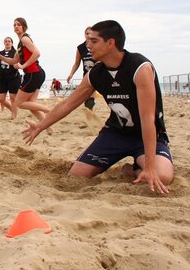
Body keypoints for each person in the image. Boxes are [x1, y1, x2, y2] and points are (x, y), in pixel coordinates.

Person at [22, 20, 174, 195]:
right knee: (76, 176)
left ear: (110, 43)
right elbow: (68, 103)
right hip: (115, 134)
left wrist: (149, 167)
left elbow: (148, 119)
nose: (88, 47)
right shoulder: (95, 73)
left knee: (162, 176)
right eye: (88, 41)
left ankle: (132, 170)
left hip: (147, 135)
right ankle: (132, 166)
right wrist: (41, 125)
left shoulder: (140, 68)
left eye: (94, 42)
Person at [0, 17, 50, 121]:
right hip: (37, 73)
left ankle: (50, 111)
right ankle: (48, 127)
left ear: (24, 26)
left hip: (33, 74)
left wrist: (23, 66)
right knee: (31, 105)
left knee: (19, 103)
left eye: (18, 24)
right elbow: (12, 61)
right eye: (14, 25)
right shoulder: (20, 43)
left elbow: (37, 53)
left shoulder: (24, 39)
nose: (16, 26)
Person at [67, 27, 96, 109]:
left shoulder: (97, 45)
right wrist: (71, 74)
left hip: (98, 73)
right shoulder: (81, 47)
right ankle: (90, 113)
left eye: (91, 33)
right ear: (84, 35)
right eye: (87, 33)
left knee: (91, 97)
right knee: (88, 99)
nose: (89, 35)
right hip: (86, 75)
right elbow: (76, 63)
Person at [0, 37, 21, 115]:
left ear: (12, 43)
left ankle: (14, 114)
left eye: (9, 41)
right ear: (4, 43)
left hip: (13, 77)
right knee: (0, 98)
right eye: (6, 41)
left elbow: (17, 62)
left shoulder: (15, 52)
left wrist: (17, 65)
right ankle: (13, 110)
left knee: (13, 97)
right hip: (1, 78)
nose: (7, 42)